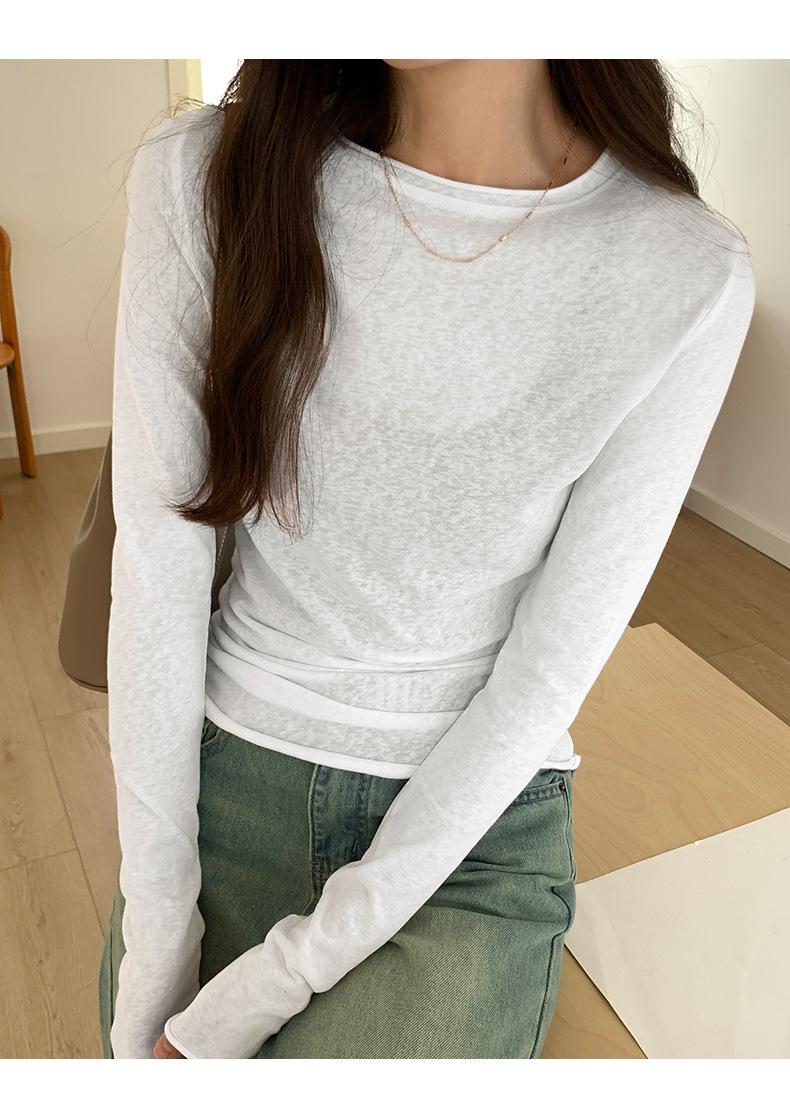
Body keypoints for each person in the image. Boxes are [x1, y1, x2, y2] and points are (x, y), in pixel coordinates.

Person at [98, 59, 755, 1059]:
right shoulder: (207, 171)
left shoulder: (684, 269)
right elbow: (157, 564)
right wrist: (157, 931)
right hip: (224, 774)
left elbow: (549, 670)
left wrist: (278, 980)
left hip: (471, 827)